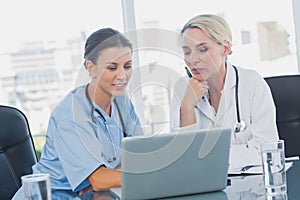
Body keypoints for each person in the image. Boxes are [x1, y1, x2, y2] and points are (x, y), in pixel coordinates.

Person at [13, 28, 143, 199]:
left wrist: (109, 176)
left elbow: (140, 156)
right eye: (112, 68)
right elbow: (98, 180)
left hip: (94, 194)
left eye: (127, 66)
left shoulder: (121, 101)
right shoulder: (71, 114)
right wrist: (145, 175)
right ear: (91, 68)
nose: (122, 75)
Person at [170, 14, 279, 168]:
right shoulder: (182, 89)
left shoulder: (251, 83)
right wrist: (186, 108)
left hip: (249, 187)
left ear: (225, 48)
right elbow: (182, 158)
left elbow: (268, 151)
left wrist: (206, 156)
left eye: (202, 49)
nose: (193, 59)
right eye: (187, 52)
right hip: (201, 186)